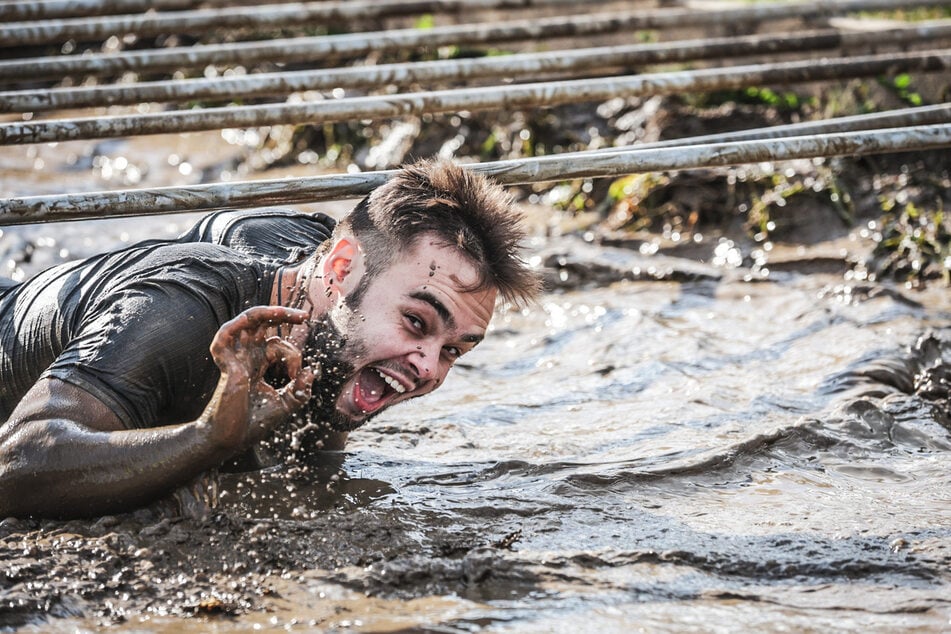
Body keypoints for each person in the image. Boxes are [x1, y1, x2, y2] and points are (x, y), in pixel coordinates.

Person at [0, 159, 539, 519]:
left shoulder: (325, 295)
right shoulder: (178, 310)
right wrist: (209, 438)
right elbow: (16, 467)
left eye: (454, 350)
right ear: (340, 268)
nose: (427, 368)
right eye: (418, 322)